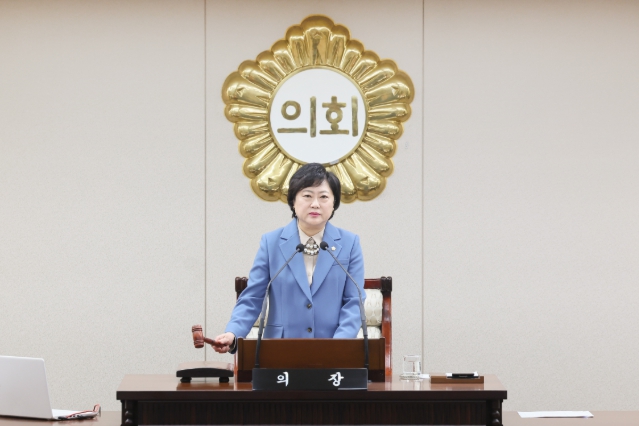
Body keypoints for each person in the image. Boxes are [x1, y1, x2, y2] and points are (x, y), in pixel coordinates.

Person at [211, 163, 365, 354]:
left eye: (324, 197)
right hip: (280, 351)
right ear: (293, 200)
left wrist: (337, 346)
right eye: (307, 196)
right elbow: (253, 297)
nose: (315, 204)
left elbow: (354, 301)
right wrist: (233, 333)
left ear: (334, 203)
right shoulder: (271, 242)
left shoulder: (349, 243)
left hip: (333, 349)